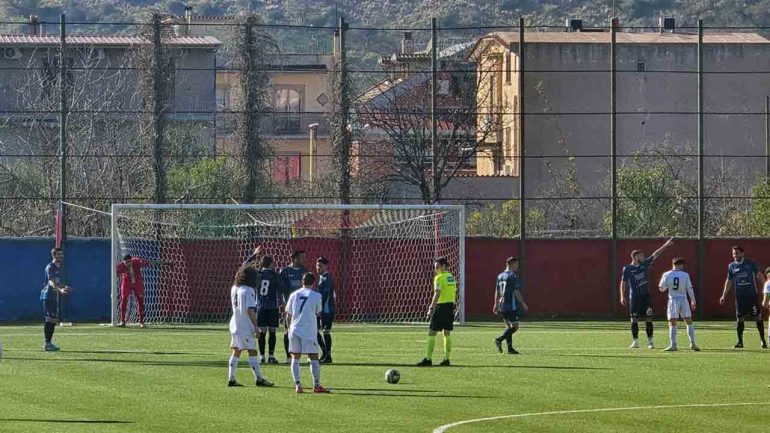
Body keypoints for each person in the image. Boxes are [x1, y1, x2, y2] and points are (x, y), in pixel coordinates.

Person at [619, 238, 674, 349]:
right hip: (634, 297)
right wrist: (622, 296)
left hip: (646, 297)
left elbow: (656, 254)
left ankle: (650, 341)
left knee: (648, 319)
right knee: (634, 319)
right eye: (641, 255)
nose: (643, 257)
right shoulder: (627, 269)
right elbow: (623, 283)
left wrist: (667, 245)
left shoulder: (644, 265)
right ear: (635, 257)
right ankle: (635, 341)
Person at [227, 265, 274, 388]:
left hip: (234, 324)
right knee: (252, 351)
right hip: (244, 325)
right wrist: (256, 326)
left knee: (236, 351)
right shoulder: (249, 290)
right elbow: (250, 310)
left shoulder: (234, 288)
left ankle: (231, 379)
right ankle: (259, 379)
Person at [286, 272, 329, 394]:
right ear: (314, 283)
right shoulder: (316, 295)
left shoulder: (294, 294)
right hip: (308, 331)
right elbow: (318, 312)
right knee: (313, 357)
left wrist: (288, 329)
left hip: (294, 329)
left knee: (295, 357)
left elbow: (288, 314)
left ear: (302, 282)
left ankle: (298, 385)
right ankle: (316, 385)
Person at [719, 246, 767, 349]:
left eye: (737, 253)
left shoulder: (750, 263)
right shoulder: (731, 266)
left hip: (752, 296)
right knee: (740, 318)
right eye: (733, 254)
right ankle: (740, 342)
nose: (735, 255)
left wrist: (766, 287)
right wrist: (723, 295)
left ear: (742, 253)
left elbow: (759, 275)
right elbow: (729, 281)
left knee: (757, 317)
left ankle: (763, 340)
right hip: (740, 297)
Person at [417, 257, 457, 367]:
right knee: (447, 332)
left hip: (441, 307)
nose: (436, 269)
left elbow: (437, 293)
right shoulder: (451, 277)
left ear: (444, 266)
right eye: (435, 267)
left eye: (437, 267)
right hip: (450, 307)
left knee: (432, 332)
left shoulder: (439, 278)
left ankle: (428, 359)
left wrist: (431, 308)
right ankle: (447, 359)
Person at [116, 254, 172, 327]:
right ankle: (123, 321)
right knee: (124, 299)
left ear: (132, 260)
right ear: (123, 262)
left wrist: (166, 263)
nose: (128, 264)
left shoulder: (137, 261)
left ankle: (141, 322)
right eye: (126, 262)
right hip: (127, 282)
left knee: (140, 300)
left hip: (138, 281)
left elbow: (151, 262)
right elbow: (115, 274)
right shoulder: (121, 266)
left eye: (129, 261)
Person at [658, 258, 699, 352]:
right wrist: (693, 301)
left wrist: (668, 285)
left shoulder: (667, 274)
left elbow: (662, 289)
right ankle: (692, 343)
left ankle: (673, 345)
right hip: (684, 300)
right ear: (679, 265)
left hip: (673, 300)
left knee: (672, 322)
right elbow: (690, 288)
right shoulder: (685, 275)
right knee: (688, 321)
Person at [279, 250, 311, 363]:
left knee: (307, 330)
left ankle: (309, 355)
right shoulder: (284, 271)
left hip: (303, 307)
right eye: (302, 257)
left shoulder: (305, 271)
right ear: (294, 259)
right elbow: (281, 290)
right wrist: (283, 304)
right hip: (290, 307)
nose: (304, 260)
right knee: (288, 330)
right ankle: (288, 356)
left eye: (304, 257)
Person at [493, 257, 528, 354]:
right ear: (511, 264)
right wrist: (523, 303)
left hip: (501, 305)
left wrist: (495, 304)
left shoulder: (500, 276)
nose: (517, 266)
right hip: (510, 305)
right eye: (516, 264)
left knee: (508, 327)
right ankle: (499, 339)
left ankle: (510, 349)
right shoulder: (512, 276)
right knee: (515, 327)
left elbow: (497, 291)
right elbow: (516, 292)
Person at [256, 255, 284, 364]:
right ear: (271, 264)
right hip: (272, 306)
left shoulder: (258, 275)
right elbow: (280, 291)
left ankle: (262, 356)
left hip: (260, 306)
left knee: (262, 332)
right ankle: (271, 356)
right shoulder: (275, 275)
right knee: (272, 332)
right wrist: (283, 304)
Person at [41, 247, 69, 351]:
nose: (61, 256)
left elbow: (57, 282)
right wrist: (60, 290)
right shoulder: (50, 267)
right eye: (58, 254)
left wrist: (64, 287)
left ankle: (49, 343)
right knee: (50, 319)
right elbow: (51, 282)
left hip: (54, 296)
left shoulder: (57, 268)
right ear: (54, 255)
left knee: (54, 320)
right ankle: (47, 343)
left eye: (61, 254)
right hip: (48, 296)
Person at [316, 257, 335, 363]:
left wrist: (319, 309)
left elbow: (325, 295)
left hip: (326, 310)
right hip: (323, 310)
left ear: (326, 266)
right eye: (317, 265)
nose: (318, 267)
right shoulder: (321, 277)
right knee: (316, 331)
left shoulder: (326, 278)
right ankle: (325, 354)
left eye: (320, 266)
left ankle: (328, 356)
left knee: (325, 332)